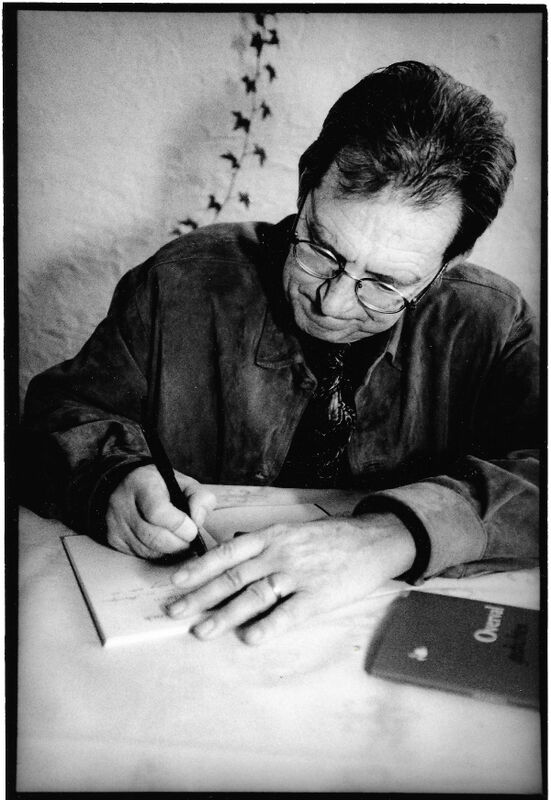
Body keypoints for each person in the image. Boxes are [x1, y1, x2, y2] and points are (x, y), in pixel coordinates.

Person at [21, 61, 539, 646]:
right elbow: (55, 418)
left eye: (386, 283)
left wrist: (395, 536)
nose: (333, 302)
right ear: (304, 187)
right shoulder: (181, 283)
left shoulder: (492, 322)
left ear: (448, 264)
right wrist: (108, 480)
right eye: (321, 249)